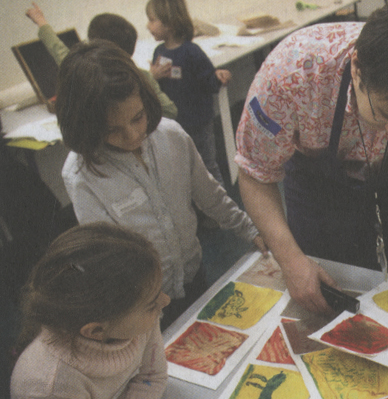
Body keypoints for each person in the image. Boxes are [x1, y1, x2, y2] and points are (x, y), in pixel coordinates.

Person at [235, 0, 388, 354]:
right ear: (357, 68)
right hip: (317, 186)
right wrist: (290, 259)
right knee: (322, 297)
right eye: (386, 115)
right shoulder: (290, 76)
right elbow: (255, 173)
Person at [57, 40, 265, 329]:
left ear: (146, 100)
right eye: (112, 130)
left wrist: (251, 230)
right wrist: (142, 303)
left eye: (138, 118)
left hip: (194, 273)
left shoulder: (171, 135)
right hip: (144, 300)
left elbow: (210, 195)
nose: (132, 135)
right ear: (87, 126)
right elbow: (108, 257)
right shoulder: (82, 175)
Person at [4, 223, 169, 399]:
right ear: (96, 331)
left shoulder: (138, 319)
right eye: (152, 304)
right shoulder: (49, 388)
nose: (165, 301)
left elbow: (153, 378)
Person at [24, 2, 177, 119]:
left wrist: (41, 21)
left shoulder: (84, 71)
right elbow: (170, 111)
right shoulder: (142, 76)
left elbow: (58, 50)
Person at [146, 0, 229, 184]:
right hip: (175, 124)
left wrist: (219, 76)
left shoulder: (192, 52)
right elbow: (157, 89)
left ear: (169, 23)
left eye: (152, 20)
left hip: (198, 122)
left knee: (207, 165)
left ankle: (221, 201)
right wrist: (153, 77)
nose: (148, 26)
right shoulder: (159, 52)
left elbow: (209, 82)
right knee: (183, 167)